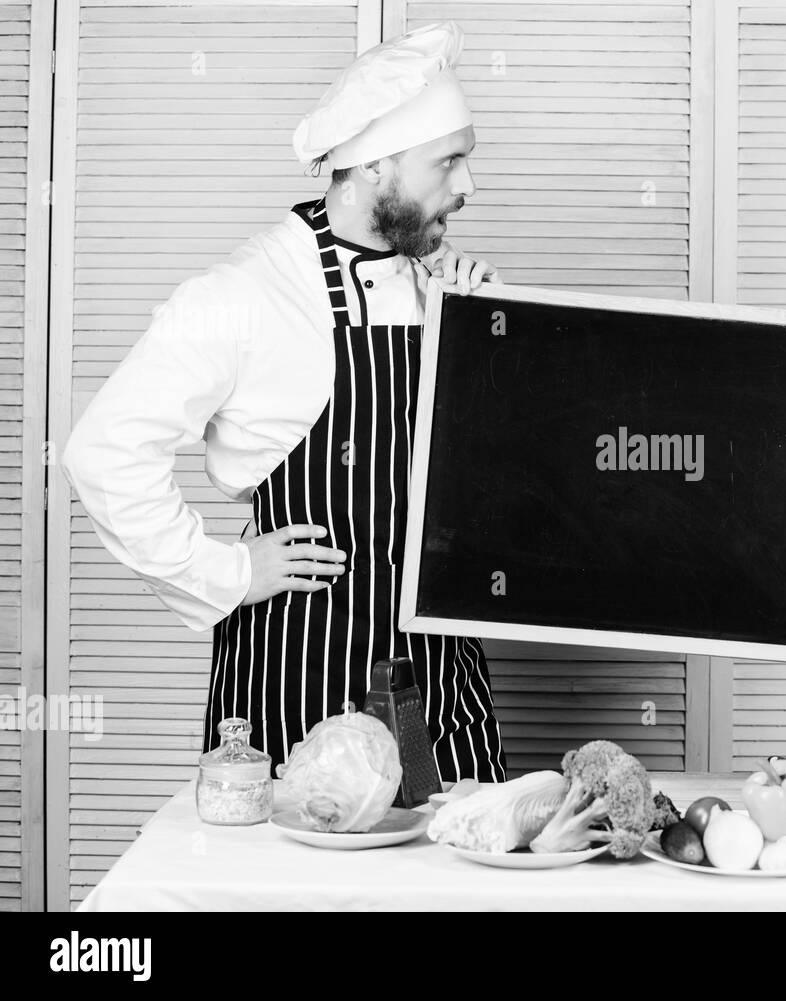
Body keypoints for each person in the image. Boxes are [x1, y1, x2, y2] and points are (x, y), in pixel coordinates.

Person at [61, 22, 507, 780]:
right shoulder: (246, 294)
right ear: (375, 167)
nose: (468, 186)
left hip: (442, 686)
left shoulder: (437, 284)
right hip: (300, 683)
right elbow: (102, 451)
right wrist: (227, 572)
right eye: (450, 162)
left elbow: (503, 486)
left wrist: (485, 339)